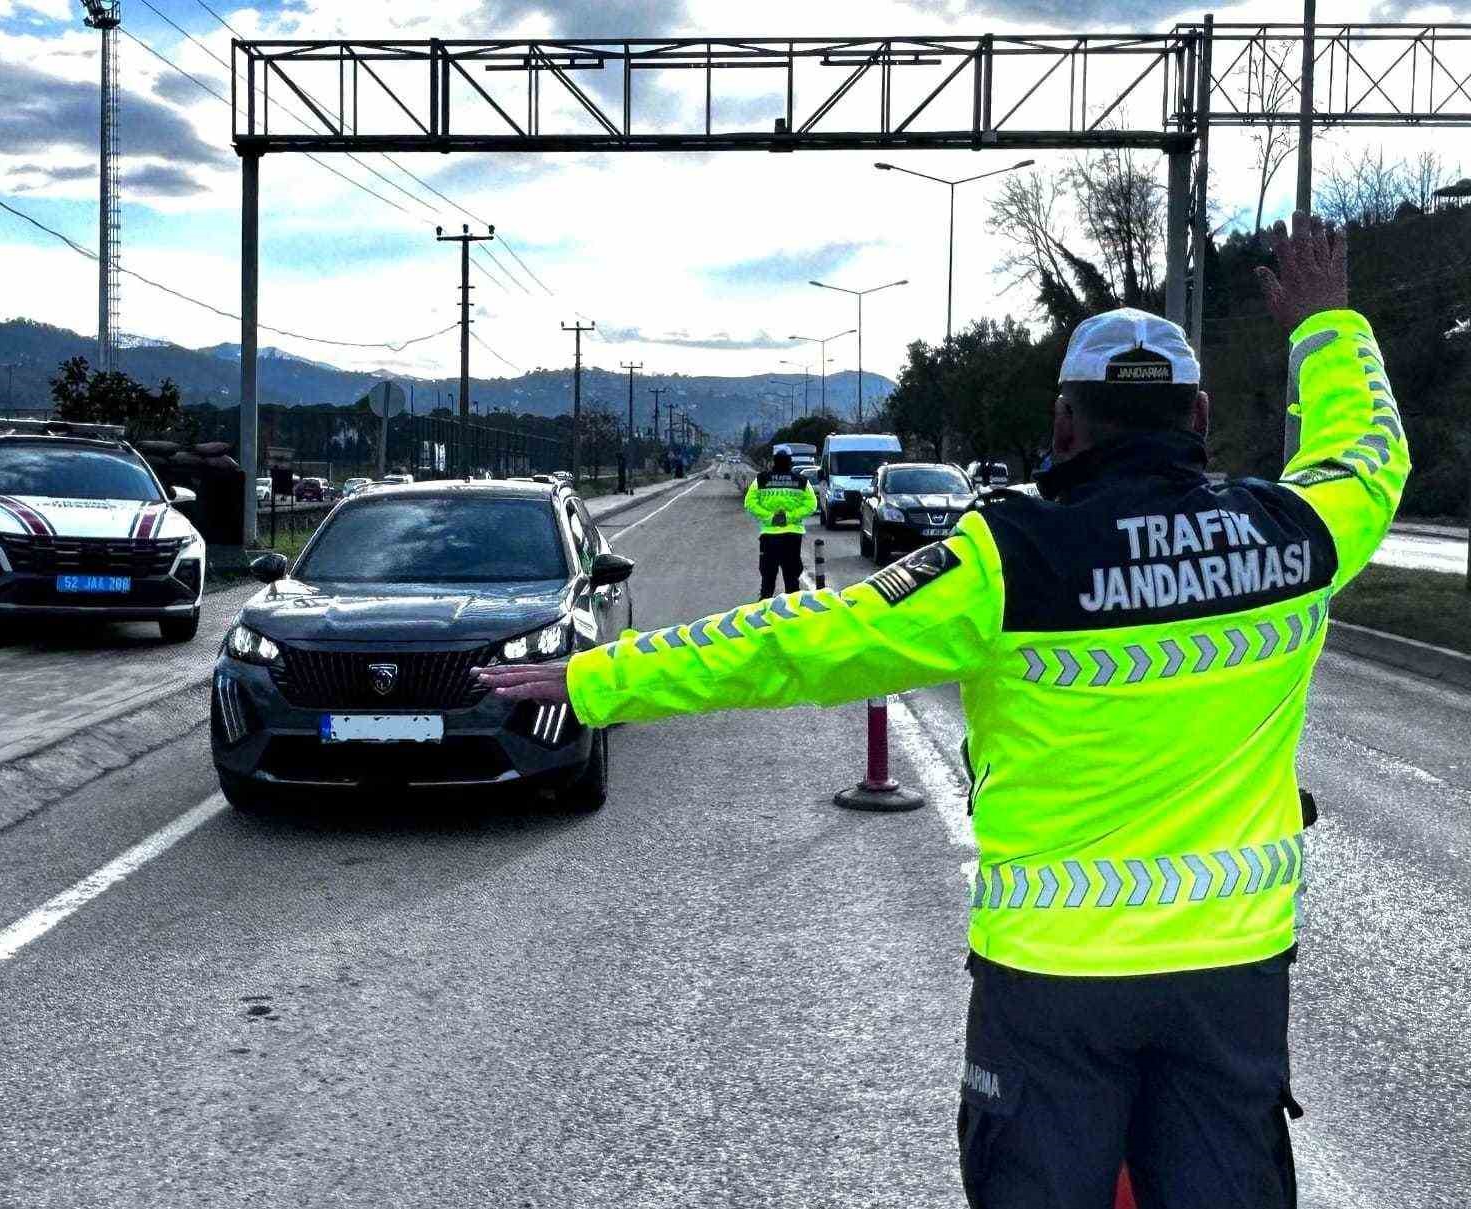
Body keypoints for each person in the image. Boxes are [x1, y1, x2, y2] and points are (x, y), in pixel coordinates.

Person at [477, 214, 1407, 1208]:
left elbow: (800, 641)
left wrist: (600, 676)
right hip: (1235, 975)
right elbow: (1368, 458)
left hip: (1053, 985)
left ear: (1062, 426)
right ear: (1201, 418)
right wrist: (1325, 325)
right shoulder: (1295, 534)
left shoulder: (1005, 559)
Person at [743, 450, 817, 598]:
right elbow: (811, 505)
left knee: (768, 581)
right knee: (792, 580)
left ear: (773, 462)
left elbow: (749, 503)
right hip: (792, 536)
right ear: (790, 462)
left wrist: (770, 518)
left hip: (769, 537)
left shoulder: (761, 479)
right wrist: (789, 517)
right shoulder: (801, 481)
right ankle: (794, 615)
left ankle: (764, 616)